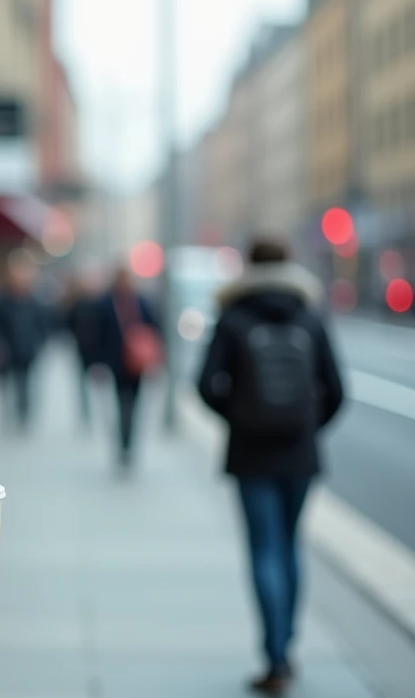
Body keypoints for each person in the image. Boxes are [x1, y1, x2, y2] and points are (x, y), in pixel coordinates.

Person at [197, 238, 344, 696]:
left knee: (264, 550)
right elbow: (337, 390)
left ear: (249, 265)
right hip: (300, 454)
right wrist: (306, 426)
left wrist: (239, 418)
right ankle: (288, 646)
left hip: (251, 453)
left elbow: (205, 385)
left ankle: (274, 658)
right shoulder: (310, 314)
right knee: (289, 546)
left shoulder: (234, 316)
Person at [94, 266, 160, 470]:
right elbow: (99, 334)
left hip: (137, 363)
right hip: (117, 363)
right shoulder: (106, 303)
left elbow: (153, 328)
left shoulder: (141, 302)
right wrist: (99, 362)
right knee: (123, 404)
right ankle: (124, 442)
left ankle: (128, 442)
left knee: (134, 405)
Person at [0, 252, 50, 430]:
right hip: (6, 350)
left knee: (25, 383)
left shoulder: (34, 301)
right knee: (5, 384)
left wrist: (39, 342)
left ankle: (23, 413)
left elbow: (42, 324)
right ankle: (9, 414)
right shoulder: (0, 301)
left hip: (27, 350)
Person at [61, 270, 103, 427]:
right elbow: (69, 323)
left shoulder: (99, 304)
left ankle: (93, 410)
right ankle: (86, 411)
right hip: (82, 348)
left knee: (96, 381)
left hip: (95, 349)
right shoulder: (77, 304)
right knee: (83, 381)